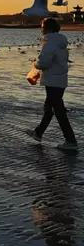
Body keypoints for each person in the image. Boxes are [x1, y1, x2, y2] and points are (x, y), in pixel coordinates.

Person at [26, 18, 76, 152]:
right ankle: (38, 133)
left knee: (58, 110)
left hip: (53, 80)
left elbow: (44, 62)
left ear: (48, 28)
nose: (41, 29)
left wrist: (35, 63)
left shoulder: (50, 42)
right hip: (59, 79)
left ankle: (71, 141)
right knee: (49, 107)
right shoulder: (59, 41)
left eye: (42, 26)